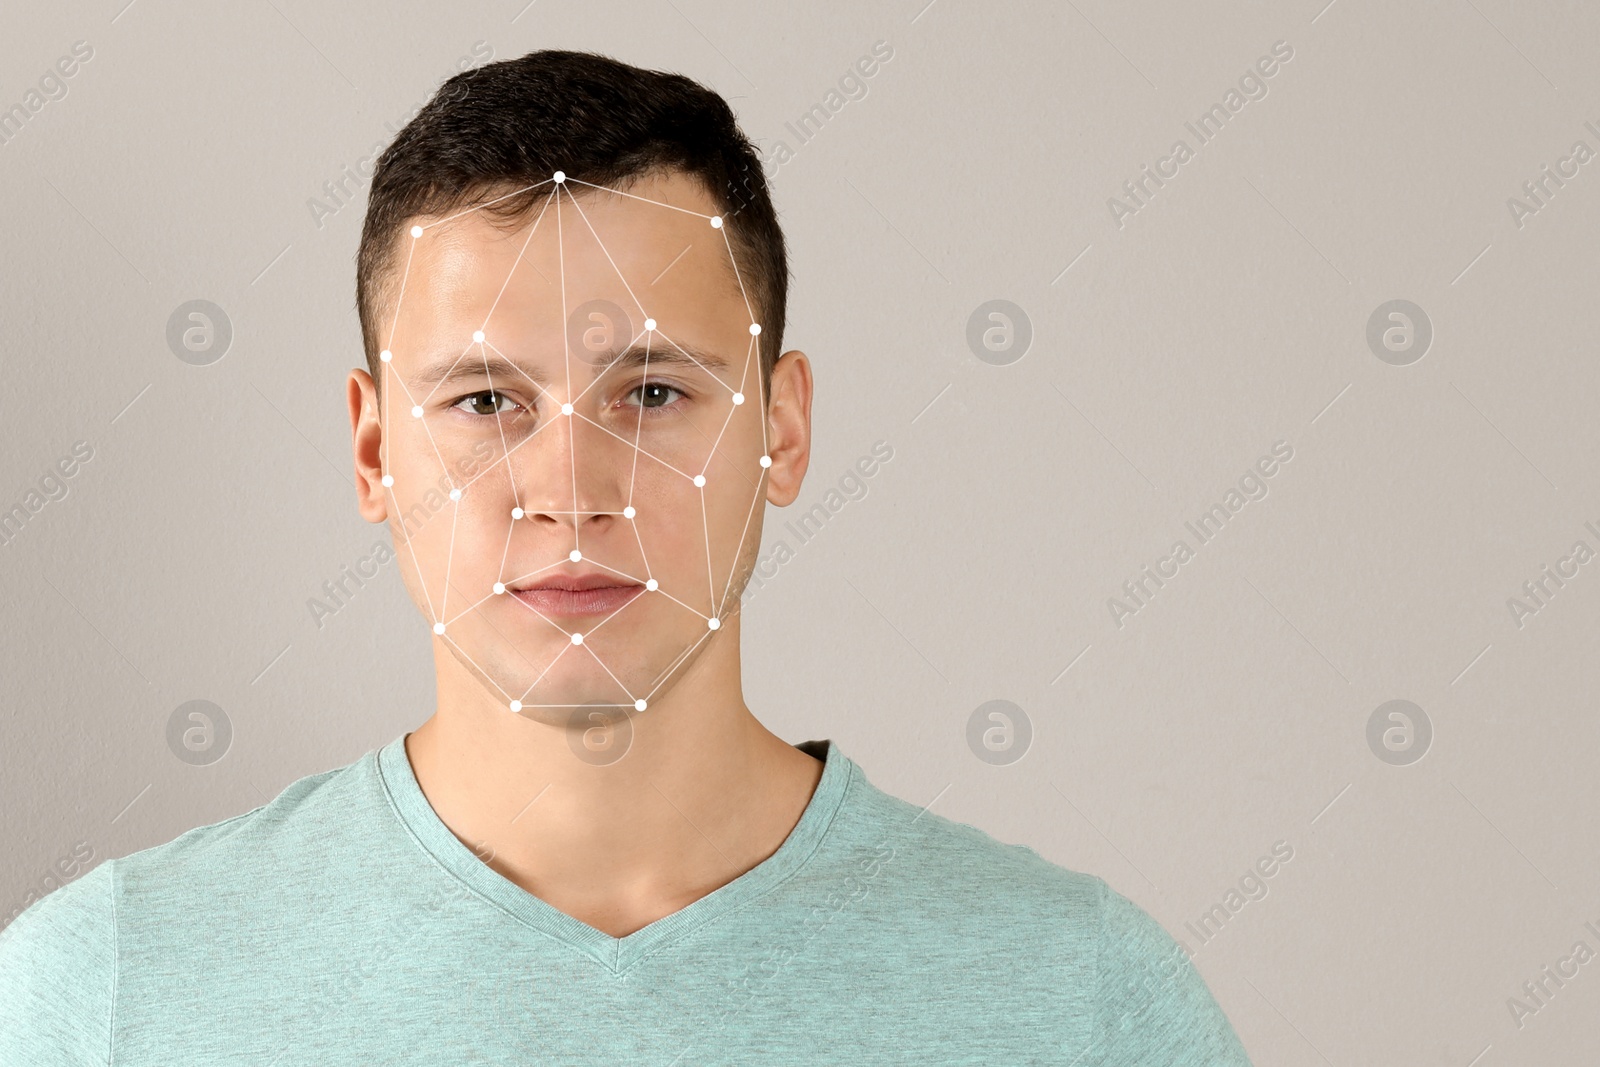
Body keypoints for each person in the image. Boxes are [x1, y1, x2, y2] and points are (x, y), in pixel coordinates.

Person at [0, 49, 1252, 1064]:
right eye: (486, 402)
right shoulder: (102, 994)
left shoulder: (1082, 1004)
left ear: (784, 427)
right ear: (375, 452)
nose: (570, 492)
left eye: (651, 392)